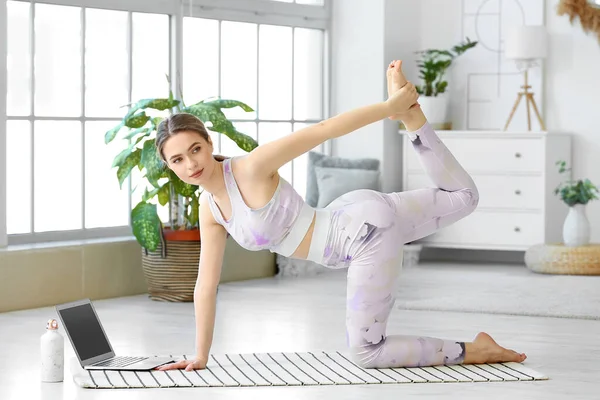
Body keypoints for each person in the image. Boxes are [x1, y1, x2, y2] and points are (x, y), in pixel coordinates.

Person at [155, 60, 526, 372]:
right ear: (169, 167)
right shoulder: (211, 209)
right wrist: (201, 355)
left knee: (367, 352)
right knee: (464, 197)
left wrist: (387, 107)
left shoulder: (250, 168)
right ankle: (414, 120)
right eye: (178, 160)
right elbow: (205, 285)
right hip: (355, 214)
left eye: (196, 150)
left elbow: (322, 131)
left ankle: (477, 351)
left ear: (209, 144)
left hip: (362, 235)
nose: (191, 164)